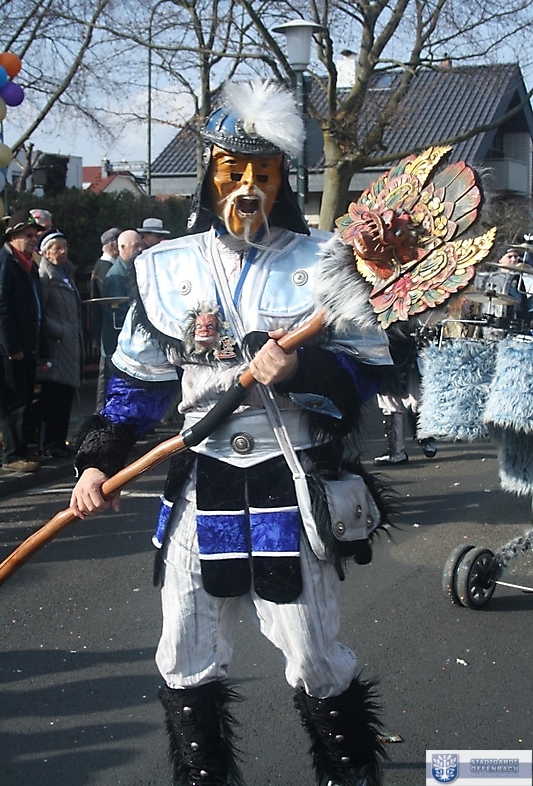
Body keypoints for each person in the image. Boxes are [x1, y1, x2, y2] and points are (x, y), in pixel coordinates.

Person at [69, 80, 394, 786]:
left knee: (312, 652)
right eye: (232, 170)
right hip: (201, 481)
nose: (247, 186)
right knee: (183, 651)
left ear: (283, 178)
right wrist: (98, 461)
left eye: (263, 172)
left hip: (292, 481)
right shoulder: (164, 268)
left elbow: (372, 371)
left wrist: (302, 366)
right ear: (209, 175)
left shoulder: (326, 262)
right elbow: (135, 383)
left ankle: (350, 776)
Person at [0, 209, 46, 473]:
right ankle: (12, 455)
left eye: (34, 235)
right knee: (13, 400)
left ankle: (22, 448)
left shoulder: (28, 264)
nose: (32, 239)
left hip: (28, 344)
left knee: (25, 398)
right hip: (12, 348)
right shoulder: (6, 263)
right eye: (27, 235)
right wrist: (12, 346)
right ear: (13, 237)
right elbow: (2, 308)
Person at [37, 231, 84, 457]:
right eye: (57, 248)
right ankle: (47, 444)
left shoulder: (66, 273)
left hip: (70, 343)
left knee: (66, 394)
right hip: (57, 344)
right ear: (46, 252)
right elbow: (41, 310)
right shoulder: (45, 275)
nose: (63, 252)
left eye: (65, 247)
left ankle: (60, 441)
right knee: (53, 395)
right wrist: (59, 331)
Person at [374, 320, 438, 465]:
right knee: (405, 397)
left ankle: (402, 450)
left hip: (395, 341)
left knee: (404, 399)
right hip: (396, 340)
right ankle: (423, 441)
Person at [98, 229, 143, 403]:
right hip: (117, 344)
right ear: (122, 248)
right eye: (136, 246)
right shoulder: (116, 276)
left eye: (141, 245)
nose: (140, 249)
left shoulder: (130, 271)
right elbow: (117, 315)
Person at [90, 227, 121, 410]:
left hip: (106, 327)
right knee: (107, 372)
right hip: (107, 328)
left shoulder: (106, 266)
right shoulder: (105, 268)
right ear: (112, 245)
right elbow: (110, 302)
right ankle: (101, 410)